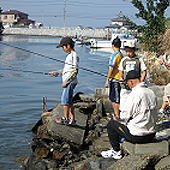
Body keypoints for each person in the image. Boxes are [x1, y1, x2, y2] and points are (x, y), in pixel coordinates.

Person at [101, 70, 157, 159]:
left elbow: (124, 116)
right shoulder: (151, 92)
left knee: (111, 125)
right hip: (151, 134)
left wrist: (116, 118)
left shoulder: (134, 94)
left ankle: (116, 151)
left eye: (128, 83)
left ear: (131, 82)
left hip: (137, 136)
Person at [49, 37, 79, 125]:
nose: (63, 49)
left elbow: (75, 71)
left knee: (65, 101)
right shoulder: (70, 55)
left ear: (68, 45)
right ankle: (72, 119)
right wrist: (56, 73)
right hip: (70, 82)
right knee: (69, 101)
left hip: (70, 82)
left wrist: (66, 82)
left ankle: (66, 119)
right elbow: (66, 70)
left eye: (63, 47)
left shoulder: (74, 56)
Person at [119, 40, 147, 112]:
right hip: (125, 86)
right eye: (126, 51)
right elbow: (120, 71)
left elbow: (144, 71)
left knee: (135, 102)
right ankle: (123, 116)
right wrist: (121, 78)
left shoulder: (139, 60)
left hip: (135, 87)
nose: (128, 53)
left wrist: (140, 82)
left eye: (130, 51)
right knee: (123, 102)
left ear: (134, 50)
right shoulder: (123, 60)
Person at [105, 37, 123, 119]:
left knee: (115, 99)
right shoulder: (121, 55)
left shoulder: (115, 56)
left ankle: (117, 115)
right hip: (119, 79)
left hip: (114, 80)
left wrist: (107, 79)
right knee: (115, 98)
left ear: (112, 45)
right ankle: (116, 113)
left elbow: (111, 68)